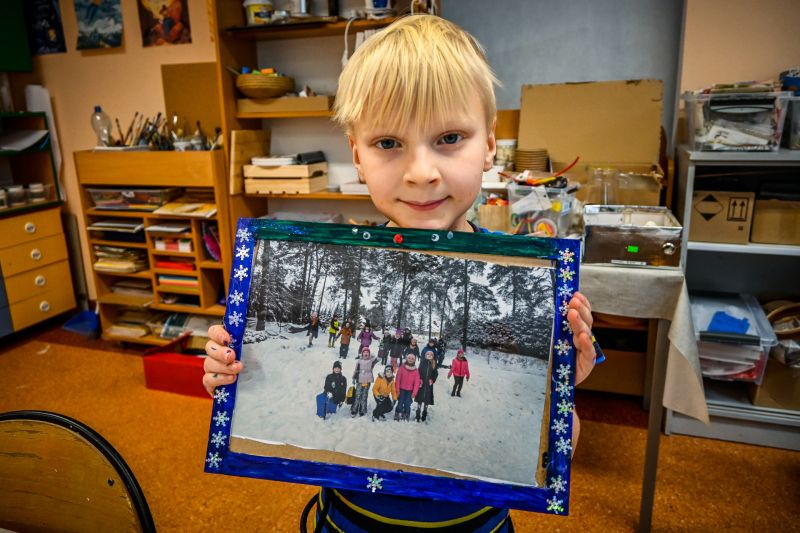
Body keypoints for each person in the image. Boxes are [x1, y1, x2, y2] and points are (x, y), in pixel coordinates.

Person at [202, 15, 597, 531]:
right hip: (348, 522)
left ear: (491, 145)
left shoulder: (538, 279)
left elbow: (557, 450)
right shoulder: (352, 268)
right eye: (388, 143)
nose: (421, 171)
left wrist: (561, 390)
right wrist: (235, 380)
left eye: (450, 137)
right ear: (357, 157)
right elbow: (259, 406)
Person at [393, 353, 421, 422]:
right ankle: (397, 413)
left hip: (410, 391)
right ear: (406, 359)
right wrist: (397, 389)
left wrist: (414, 392)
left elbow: (417, 382)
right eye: (409, 358)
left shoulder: (416, 370)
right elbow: (398, 379)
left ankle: (406, 413)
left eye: (412, 359)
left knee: (407, 403)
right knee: (400, 402)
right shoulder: (402, 367)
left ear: (414, 360)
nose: (410, 360)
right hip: (401, 389)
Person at [351, 347, 378, 417]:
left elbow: (378, 359)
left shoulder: (371, 361)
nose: (366, 353)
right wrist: (354, 378)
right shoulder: (359, 361)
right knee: (357, 395)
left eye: (367, 352)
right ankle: (355, 408)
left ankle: (363, 409)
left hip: (367, 381)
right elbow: (356, 370)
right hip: (359, 380)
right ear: (362, 353)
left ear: (369, 353)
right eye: (364, 352)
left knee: (364, 396)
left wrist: (374, 355)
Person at [415, 348, 438, 422]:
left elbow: (435, 374)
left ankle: (424, 413)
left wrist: (432, 380)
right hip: (421, 384)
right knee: (420, 398)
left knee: (427, 399)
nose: (429, 355)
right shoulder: (422, 362)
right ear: (425, 355)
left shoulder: (434, 364)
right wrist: (419, 379)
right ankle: (418, 413)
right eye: (428, 354)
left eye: (431, 354)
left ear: (433, 356)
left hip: (428, 385)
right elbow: (418, 372)